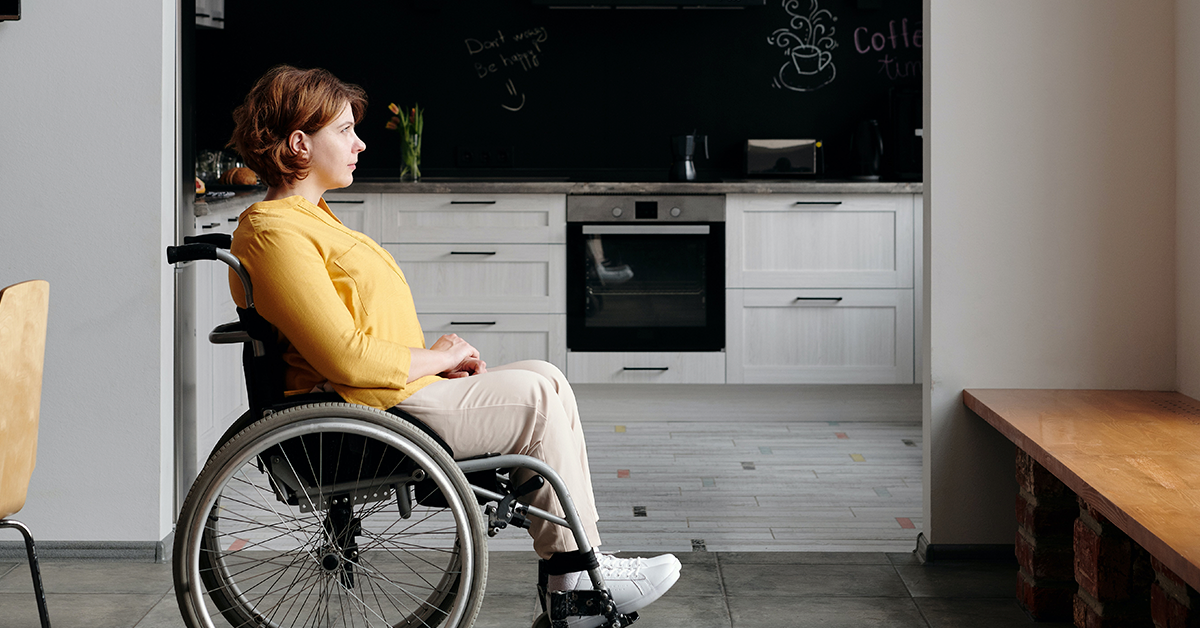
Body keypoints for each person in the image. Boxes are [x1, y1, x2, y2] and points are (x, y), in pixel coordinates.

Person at [225, 64, 680, 627]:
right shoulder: (273, 230)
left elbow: (362, 335)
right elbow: (344, 356)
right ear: (299, 143)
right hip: (364, 409)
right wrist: (438, 358)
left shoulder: (309, 219)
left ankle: (575, 579)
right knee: (538, 397)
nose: (360, 142)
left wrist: (436, 370)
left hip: (392, 394)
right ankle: (578, 580)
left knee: (546, 375)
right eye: (344, 130)